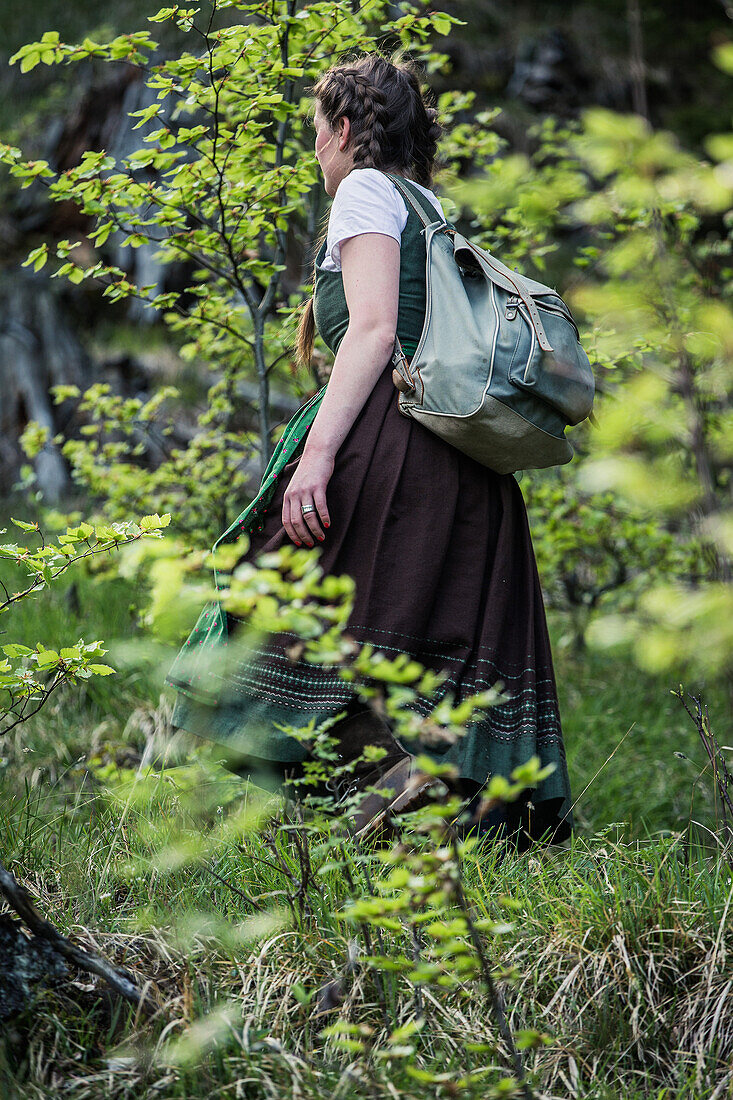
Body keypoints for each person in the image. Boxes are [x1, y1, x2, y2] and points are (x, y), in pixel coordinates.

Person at [165, 52, 573, 847]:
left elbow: (377, 330)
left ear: (344, 129)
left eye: (316, 131)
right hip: (462, 461)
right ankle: (404, 812)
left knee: (270, 612)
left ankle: (232, 817)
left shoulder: (362, 190)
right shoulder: (428, 205)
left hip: (388, 443)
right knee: (423, 637)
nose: (316, 148)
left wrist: (315, 459)